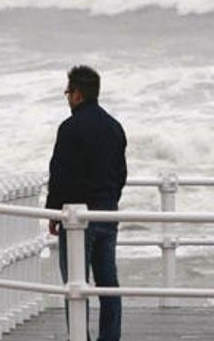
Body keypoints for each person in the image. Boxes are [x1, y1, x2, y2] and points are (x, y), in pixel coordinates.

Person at [46, 65, 127, 341]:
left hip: (78, 219)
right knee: (108, 285)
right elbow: (121, 174)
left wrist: (54, 214)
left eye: (68, 92)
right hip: (107, 214)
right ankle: (110, 337)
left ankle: (81, 337)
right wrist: (109, 202)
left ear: (78, 94)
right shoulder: (115, 128)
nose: (68, 98)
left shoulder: (69, 129)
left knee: (75, 285)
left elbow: (59, 174)